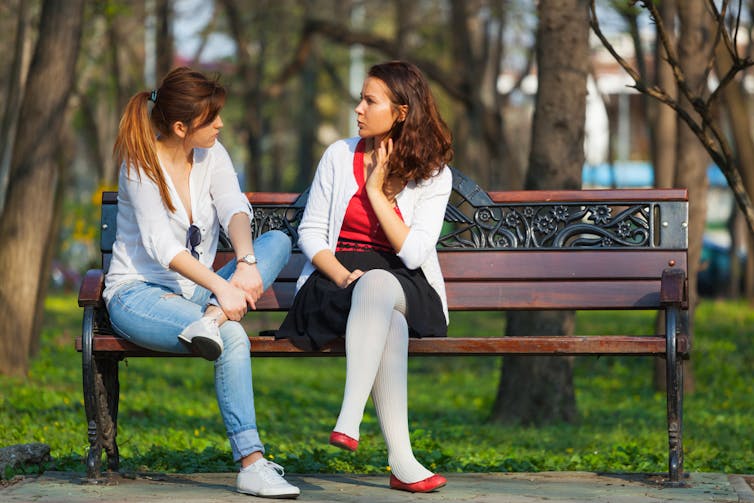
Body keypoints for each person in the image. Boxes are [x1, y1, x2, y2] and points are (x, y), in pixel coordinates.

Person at [103, 66, 300, 499]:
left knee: (278, 243)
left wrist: (246, 264)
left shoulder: (213, 154)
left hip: (198, 294)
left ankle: (209, 320)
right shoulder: (140, 165)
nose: (221, 125)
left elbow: (234, 207)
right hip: (138, 295)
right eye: (212, 119)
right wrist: (225, 289)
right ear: (180, 126)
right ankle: (251, 463)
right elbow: (161, 249)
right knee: (233, 338)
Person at [277, 61, 453, 493]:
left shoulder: (433, 175)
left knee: (379, 286)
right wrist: (340, 276)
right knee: (382, 310)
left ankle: (350, 416)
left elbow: (412, 253)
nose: (357, 109)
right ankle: (403, 462)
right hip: (336, 281)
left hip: (404, 280)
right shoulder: (339, 155)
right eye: (360, 98)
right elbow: (312, 234)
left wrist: (375, 191)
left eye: (369, 101)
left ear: (401, 112)